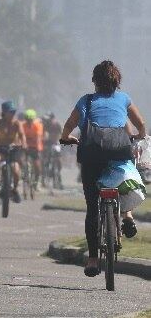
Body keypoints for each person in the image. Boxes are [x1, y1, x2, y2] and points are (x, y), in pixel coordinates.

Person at [59, 60, 145, 278]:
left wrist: (66, 137)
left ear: (94, 81)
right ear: (117, 81)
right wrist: (139, 136)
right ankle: (127, 216)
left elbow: (69, 125)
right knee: (124, 176)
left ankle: (92, 259)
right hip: (119, 150)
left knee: (92, 207)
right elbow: (141, 124)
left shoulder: (86, 100)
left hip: (92, 154)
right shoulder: (124, 99)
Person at [0, 101, 25, 202]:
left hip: (14, 149)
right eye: (10, 112)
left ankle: (15, 190)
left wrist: (24, 143)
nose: (12, 114)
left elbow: (22, 135)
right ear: (4, 112)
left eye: (13, 112)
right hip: (1, 148)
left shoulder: (17, 123)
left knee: (16, 170)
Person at [21, 109, 44, 188]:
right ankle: (22, 172)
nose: (29, 122)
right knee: (20, 159)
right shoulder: (23, 125)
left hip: (35, 146)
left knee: (37, 165)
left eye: (30, 120)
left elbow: (38, 137)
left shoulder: (38, 125)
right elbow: (21, 136)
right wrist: (22, 144)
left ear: (33, 119)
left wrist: (37, 147)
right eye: (27, 120)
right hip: (25, 146)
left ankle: (37, 181)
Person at [42, 112, 63, 189]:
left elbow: (62, 134)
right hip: (48, 143)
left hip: (56, 143)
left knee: (59, 160)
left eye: (50, 119)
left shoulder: (57, 125)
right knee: (46, 158)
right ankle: (46, 171)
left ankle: (58, 174)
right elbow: (44, 134)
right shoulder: (46, 125)